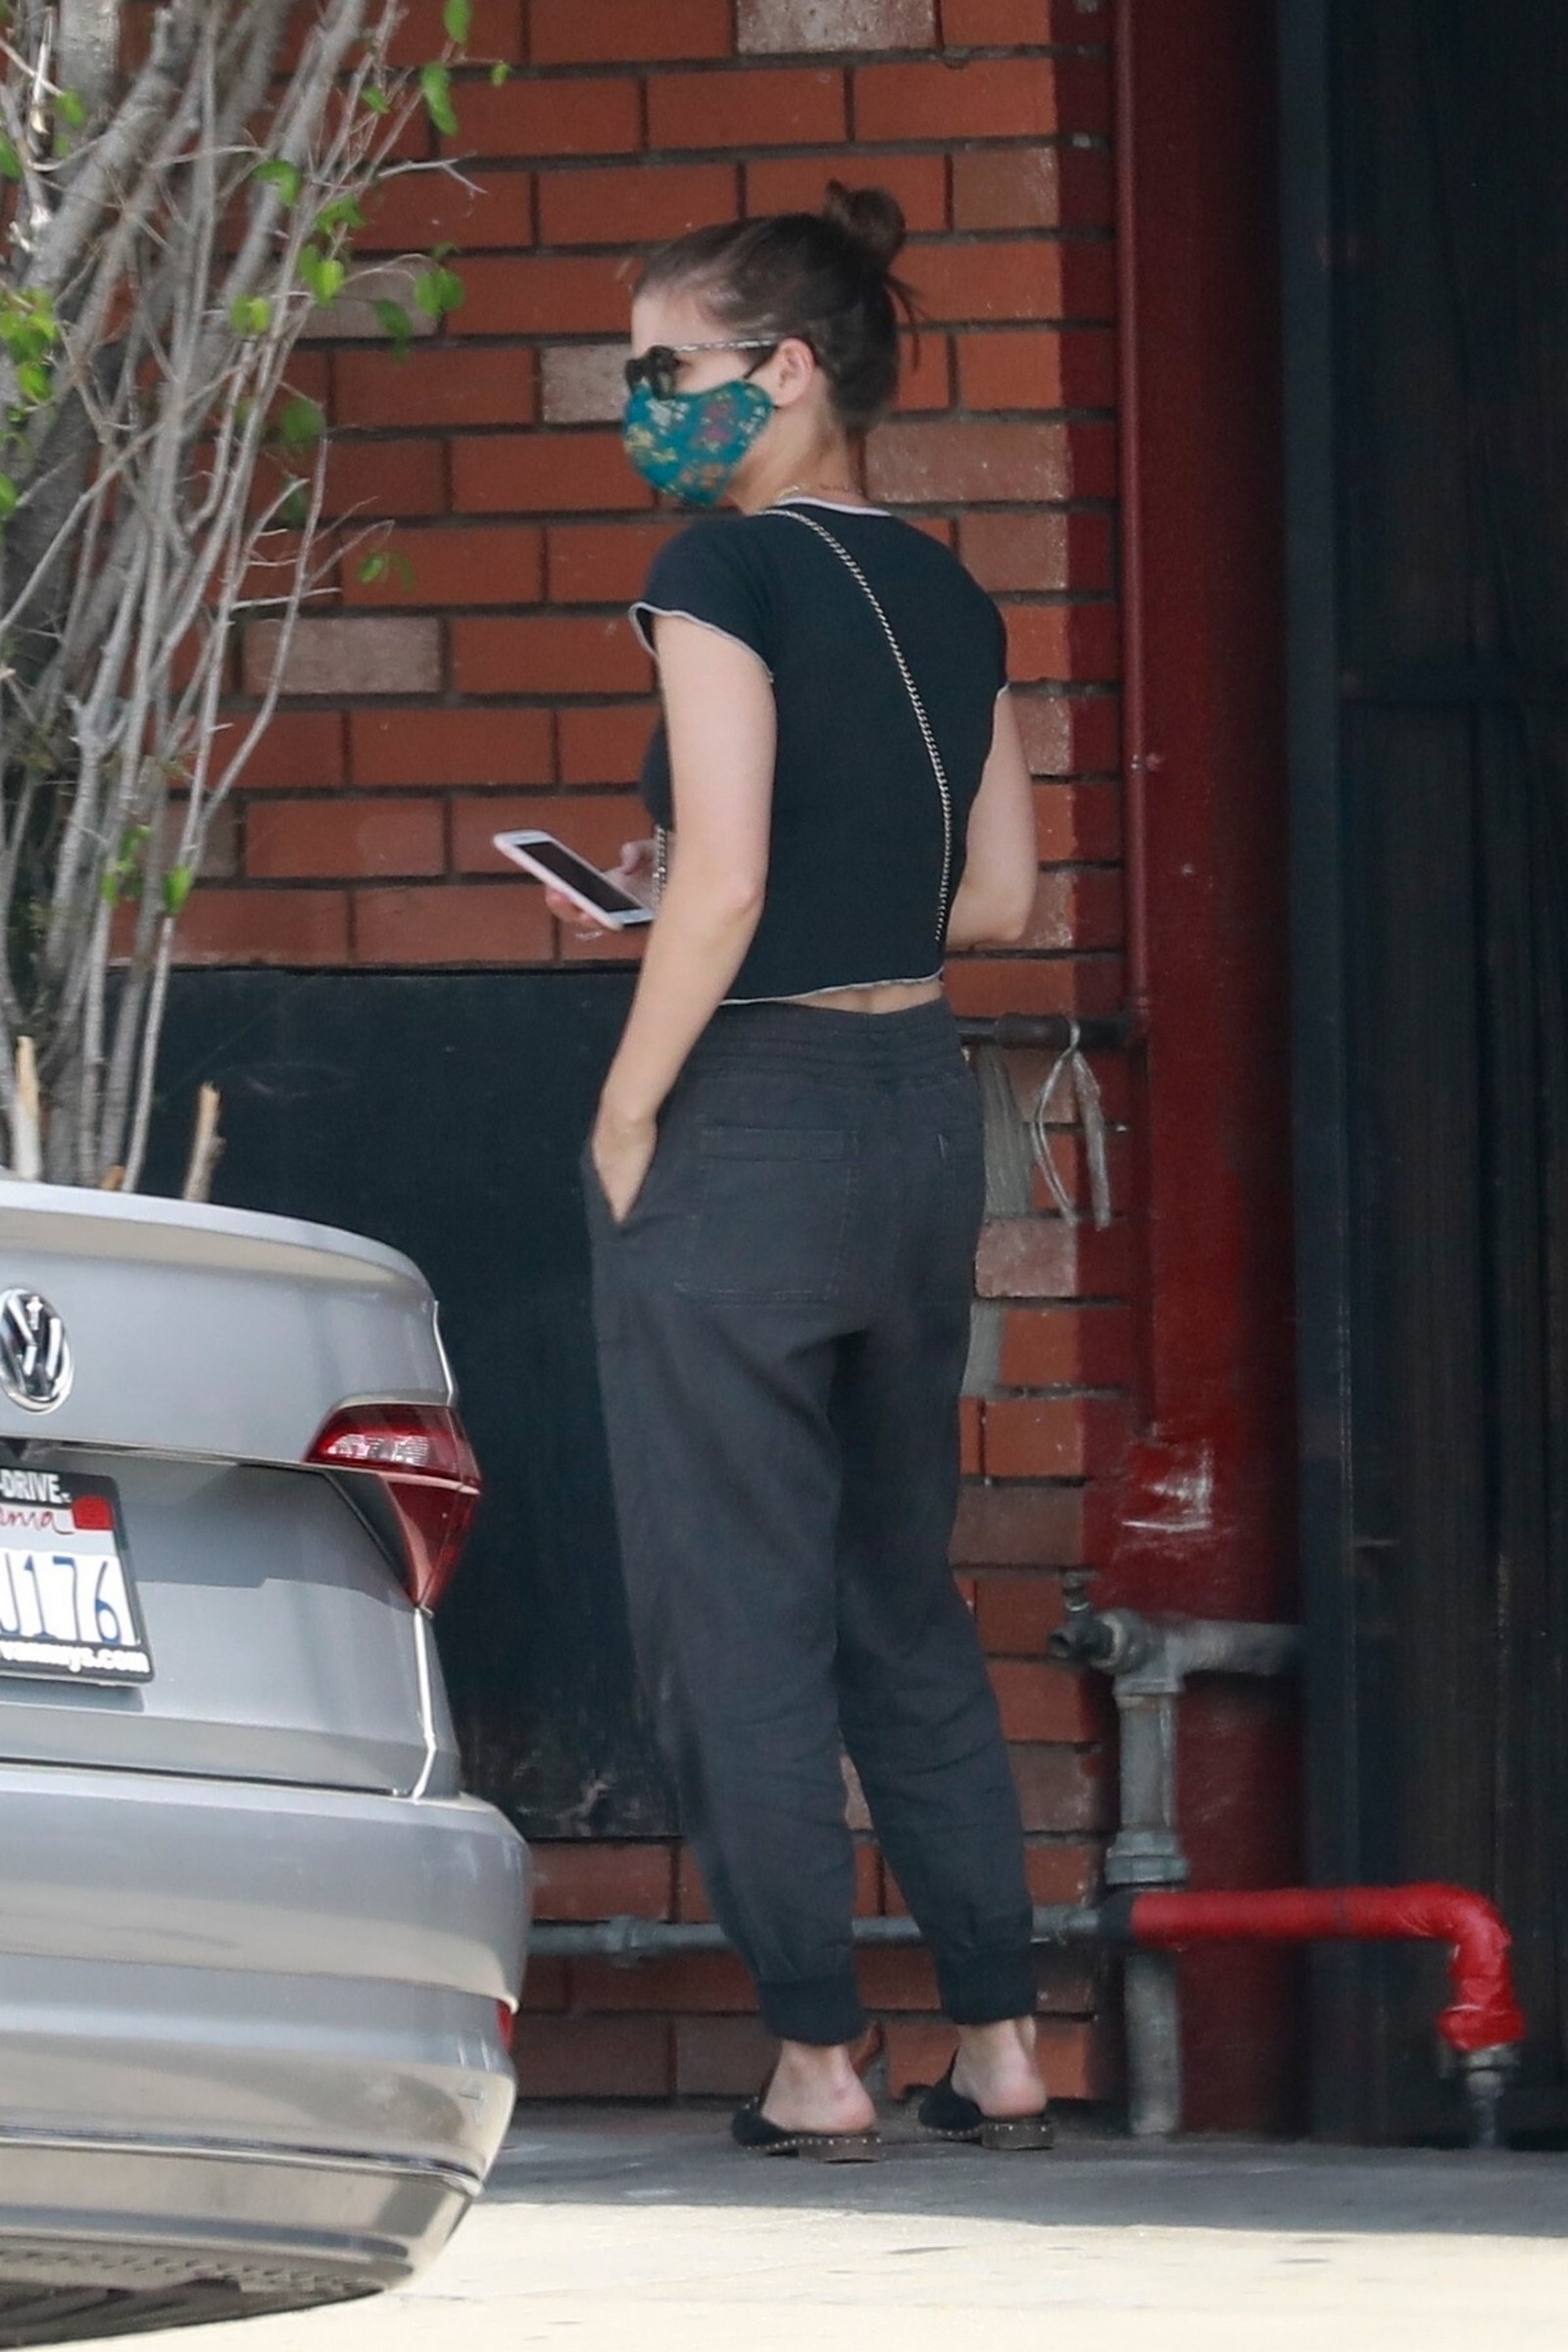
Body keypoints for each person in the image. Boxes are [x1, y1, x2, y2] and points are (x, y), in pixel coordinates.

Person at [554, 183, 1050, 2160]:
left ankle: (819, 2063)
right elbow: (996, 898)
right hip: (917, 1110)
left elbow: (734, 879)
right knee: (896, 1598)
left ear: (780, 369)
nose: (641, 404)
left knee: (735, 1605)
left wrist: (627, 1107)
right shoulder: (949, 590)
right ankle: (1002, 2045)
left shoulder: (718, 569)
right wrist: (707, 885)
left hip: (747, 1116)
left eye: (663, 367)